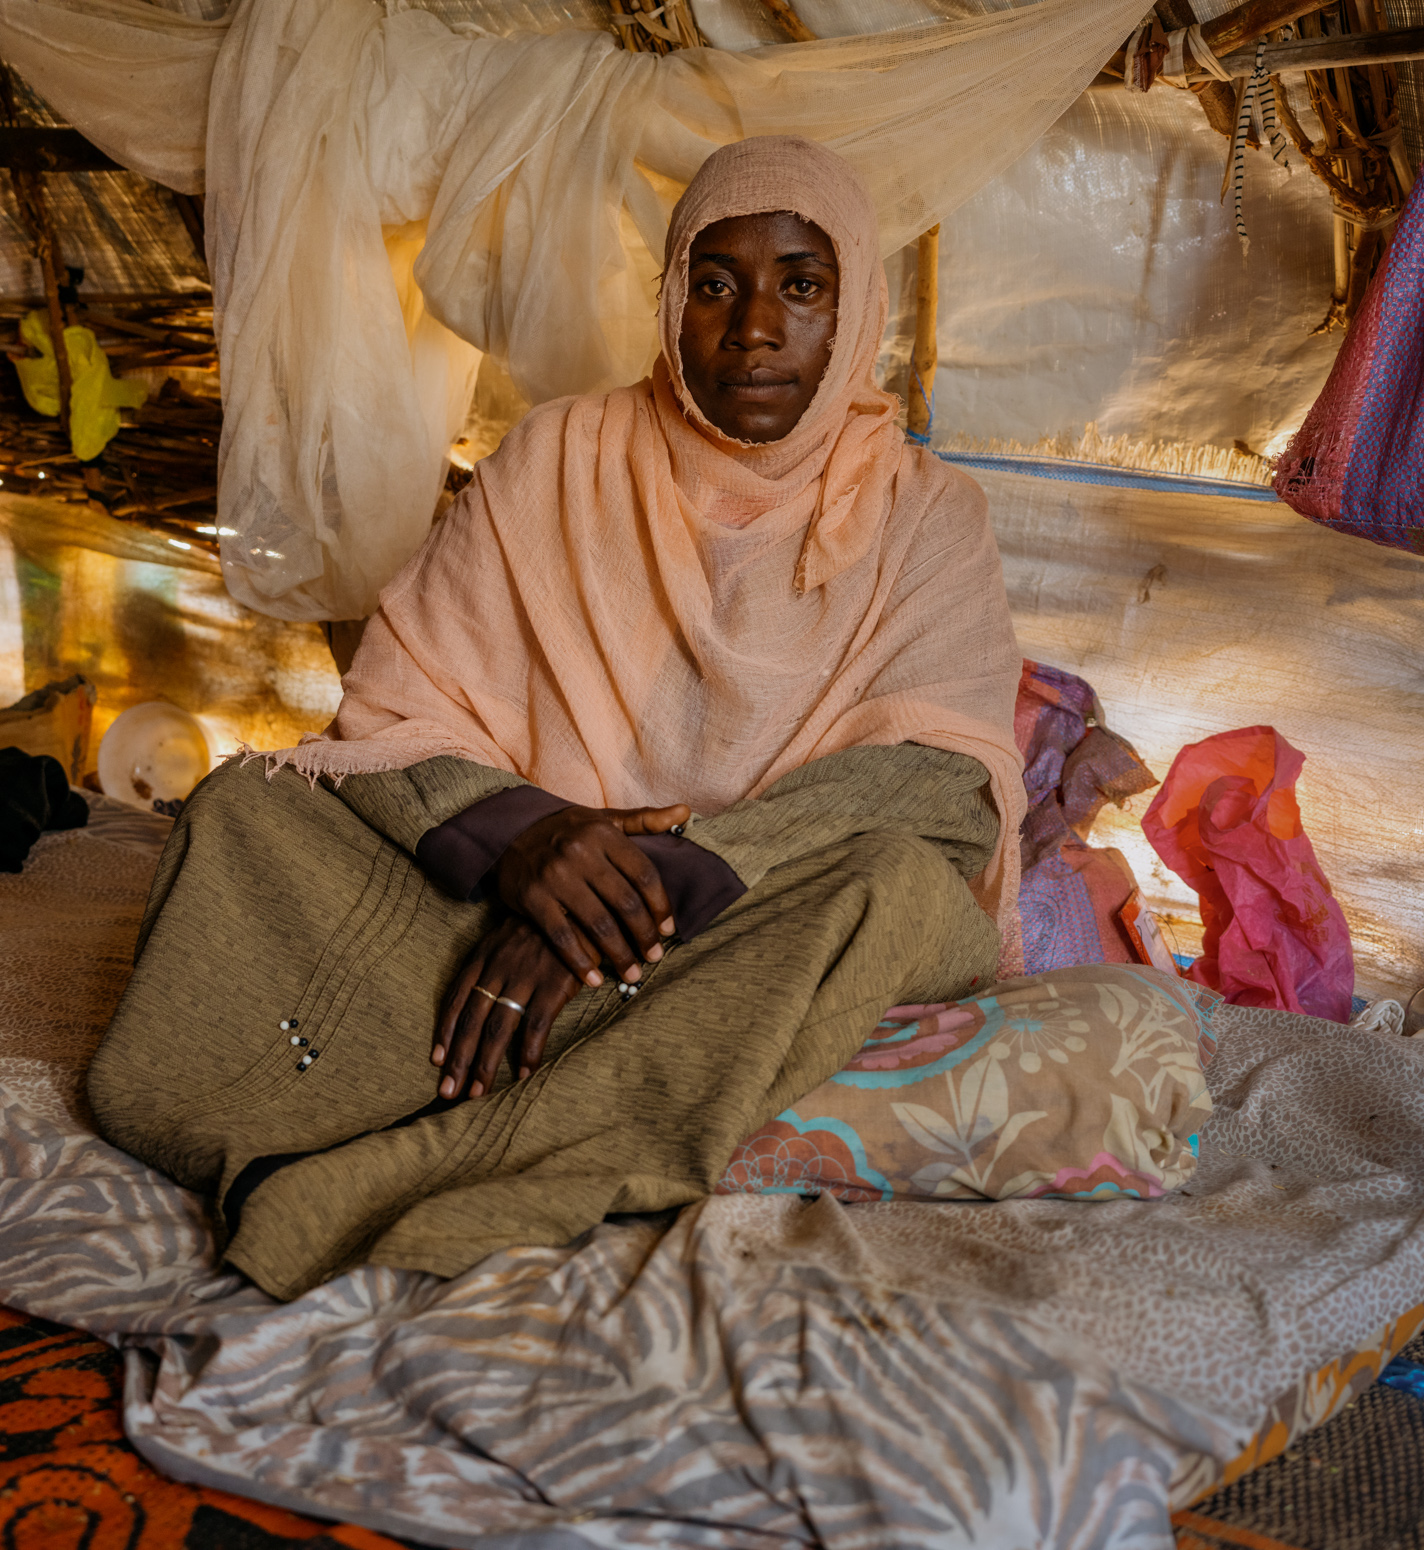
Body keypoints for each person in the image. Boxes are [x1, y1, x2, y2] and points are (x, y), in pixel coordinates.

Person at [88, 135, 1026, 1302]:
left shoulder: (926, 511)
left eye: (802, 283)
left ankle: (441, 1160)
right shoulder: (561, 456)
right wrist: (526, 840)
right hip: (539, 872)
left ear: (854, 312)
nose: (754, 327)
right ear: (673, 298)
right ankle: (598, 1042)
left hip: (760, 898)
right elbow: (398, 707)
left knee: (895, 891)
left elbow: (939, 783)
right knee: (250, 804)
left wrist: (659, 881)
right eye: (717, 283)